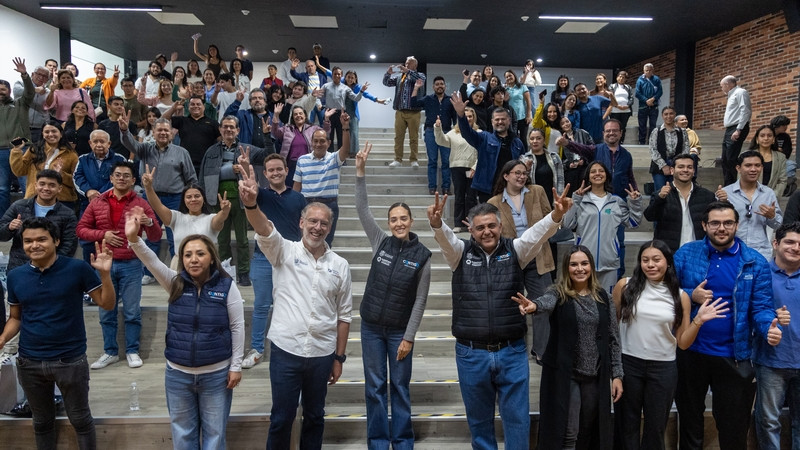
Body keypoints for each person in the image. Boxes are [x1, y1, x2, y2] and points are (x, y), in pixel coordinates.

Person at [427, 187, 572, 450]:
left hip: (512, 351)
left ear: (501, 225)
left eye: (491, 226)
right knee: (479, 422)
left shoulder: (516, 249)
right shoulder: (460, 254)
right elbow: (446, 239)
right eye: (480, 228)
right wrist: (437, 224)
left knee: (517, 421)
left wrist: (555, 215)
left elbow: (537, 234)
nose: (487, 232)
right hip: (471, 354)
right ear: (471, 231)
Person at [239, 164, 353, 450]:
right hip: (286, 351)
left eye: (323, 223)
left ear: (330, 227)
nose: (318, 227)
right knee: (282, 418)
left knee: (315, 416)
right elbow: (265, 229)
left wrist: (338, 358)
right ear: (301, 223)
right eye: (312, 221)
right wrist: (252, 205)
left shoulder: (340, 265)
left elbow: (344, 316)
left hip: (322, 354)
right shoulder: (284, 251)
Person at [125, 212, 244, 449]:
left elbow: (237, 327)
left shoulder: (227, 286)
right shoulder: (174, 282)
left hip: (216, 375)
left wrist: (236, 366)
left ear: (212, 257)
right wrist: (134, 239)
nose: (194, 259)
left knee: (215, 436)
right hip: (178, 375)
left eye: (200, 253)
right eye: (188, 255)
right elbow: (152, 261)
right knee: (183, 436)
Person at [673, 200, 782, 450]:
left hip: (734, 355)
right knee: (690, 424)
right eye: (715, 223)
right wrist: (691, 294)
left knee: (733, 429)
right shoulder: (686, 254)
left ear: (737, 225)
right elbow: (668, 293)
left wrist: (769, 329)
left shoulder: (754, 261)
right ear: (704, 225)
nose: (721, 228)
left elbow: (762, 307)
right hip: (691, 353)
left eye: (727, 223)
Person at [0, 217, 115, 449]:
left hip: (70, 361)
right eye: (28, 241)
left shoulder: (77, 268)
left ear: (56, 241)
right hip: (30, 362)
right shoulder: (15, 276)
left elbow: (107, 303)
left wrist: (105, 275)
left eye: (41, 239)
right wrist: (2, 338)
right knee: (41, 422)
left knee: (81, 420)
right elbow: (16, 317)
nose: (35, 245)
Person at [613, 240, 728, 450]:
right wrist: (615, 372)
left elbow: (683, 343)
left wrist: (699, 320)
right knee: (626, 425)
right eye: (645, 260)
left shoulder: (681, 296)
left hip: (663, 368)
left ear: (667, 262)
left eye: (657, 259)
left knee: (655, 428)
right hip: (629, 364)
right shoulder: (625, 286)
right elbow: (613, 331)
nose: (651, 265)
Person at [355, 143, 431, 449]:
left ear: (411, 221)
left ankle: (402, 442)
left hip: (400, 331)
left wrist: (409, 337)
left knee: (399, 386)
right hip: (371, 328)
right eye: (393, 219)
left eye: (403, 218)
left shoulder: (423, 255)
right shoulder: (380, 242)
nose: (398, 223)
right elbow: (362, 209)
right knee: (374, 387)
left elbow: (421, 300)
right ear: (389, 224)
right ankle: (377, 441)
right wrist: (360, 172)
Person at [515, 245, 622, 449]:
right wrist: (534, 306)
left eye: (584, 263)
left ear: (591, 266)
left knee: (589, 430)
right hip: (566, 375)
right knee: (568, 432)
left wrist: (617, 375)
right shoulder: (558, 293)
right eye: (574, 264)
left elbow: (613, 339)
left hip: (595, 375)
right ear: (566, 268)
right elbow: (545, 302)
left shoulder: (604, 298)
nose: (579, 268)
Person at [77, 161, 162, 370]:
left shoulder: (141, 203)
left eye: (126, 175)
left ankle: (132, 351)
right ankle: (110, 352)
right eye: (118, 174)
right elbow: (81, 229)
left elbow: (157, 235)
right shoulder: (98, 202)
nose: (121, 178)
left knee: (132, 311)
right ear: (111, 178)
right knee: (106, 310)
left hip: (131, 264)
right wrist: (102, 234)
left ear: (133, 180)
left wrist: (149, 222)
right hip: (104, 265)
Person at [487, 160, 556, 361]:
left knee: (543, 304)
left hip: (539, 257)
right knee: (513, 308)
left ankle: (541, 351)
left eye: (524, 173)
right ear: (506, 176)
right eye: (517, 173)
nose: (521, 176)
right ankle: (515, 350)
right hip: (511, 260)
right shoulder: (494, 202)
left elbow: (549, 219)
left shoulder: (537, 191)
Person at [119, 111, 198, 276]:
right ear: (153, 133)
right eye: (159, 130)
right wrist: (125, 131)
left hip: (175, 199)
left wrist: (191, 201)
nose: (163, 133)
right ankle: (149, 274)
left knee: (175, 237)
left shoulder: (181, 152)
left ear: (171, 133)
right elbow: (130, 144)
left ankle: (178, 272)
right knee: (151, 237)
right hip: (149, 198)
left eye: (166, 130)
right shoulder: (145, 149)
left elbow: (191, 178)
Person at [558, 119, 638, 277]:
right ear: (603, 134)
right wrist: (567, 143)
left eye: (615, 130)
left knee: (618, 243)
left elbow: (630, 176)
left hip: (616, 203)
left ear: (621, 133)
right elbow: (581, 148)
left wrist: (634, 192)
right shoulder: (596, 150)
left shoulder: (626, 155)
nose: (611, 133)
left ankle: (617, 275)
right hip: (594, 199)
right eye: (608, 131)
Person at [199, 116, 272, 285]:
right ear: (220, 129)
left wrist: (267, 136)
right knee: (222, 240)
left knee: (243, 239)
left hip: (241, 199)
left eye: (232, 127)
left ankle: (244, 272)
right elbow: (202, 177)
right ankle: (225, 271)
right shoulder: (211, 151)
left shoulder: (245, 148)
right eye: (225, 127)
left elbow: (268, 155)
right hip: (217, 199)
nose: (228, 130)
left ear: (238, 130)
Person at [753, 222, 800, 449]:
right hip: (771, 361)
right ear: (775, 243)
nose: (796, 247)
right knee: (768, 421)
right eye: (790, 242)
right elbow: (751, 313)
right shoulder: (761, 275)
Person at [564, 161, 643, 293]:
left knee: (607, 301)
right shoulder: (580, 200)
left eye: (601, 171)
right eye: (593, 171)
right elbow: (567, 224)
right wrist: (576, 200)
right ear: (588, 176)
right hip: (583, 262)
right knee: (583, 300)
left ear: (606, 175)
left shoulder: (616, 201)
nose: (597, 174)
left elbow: (633, 223)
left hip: (609, 262)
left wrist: (635, 203)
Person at [142, 167, 228, 268]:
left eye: (197, 196)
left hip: (206, 266)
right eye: (189, 197)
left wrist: (224, 211)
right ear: (184, 201)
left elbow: (220, 219)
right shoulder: (176, 217)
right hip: (180, 265)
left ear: (203, 199)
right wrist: (148, 188)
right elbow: (158, 206)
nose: (193, 199)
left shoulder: (211, 218)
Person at [451, 91, 524, 203]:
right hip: (488, 190)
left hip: (511, 189)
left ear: (509, 121)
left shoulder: (517, 143)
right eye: (497, 120)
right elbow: (467, 133)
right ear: (492, 122)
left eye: (503, 119)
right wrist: (461, 115)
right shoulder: (484, 138)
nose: (500, 122)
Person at [0, 169, 77, 271]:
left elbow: (69, 246)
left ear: (60, 188)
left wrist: (49, 264)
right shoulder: (18, 206)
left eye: (52, 185)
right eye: (42, 184)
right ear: (35, 185)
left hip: (51, 270)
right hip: (19, 267)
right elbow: (1, 235)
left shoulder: (68, 214)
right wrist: (9, 228)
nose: (46, 188)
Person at [293, 113, 351, 247]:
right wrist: (294, 207)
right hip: (307, 205)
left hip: (329, 205)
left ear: (328, 143)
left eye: (322, 141)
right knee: (306, 242)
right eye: (316, 141)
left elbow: (346, 149)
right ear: (311, 142)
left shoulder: (334, 159)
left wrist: (345, 127)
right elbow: (297, 187)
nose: (318, 144)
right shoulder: (302, 160)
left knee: (325, 243)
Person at [717, 150, 783, 260]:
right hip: (731, 251)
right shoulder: (725, 193)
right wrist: (722, 204)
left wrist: (772, 216)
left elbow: (778, 225)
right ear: (738, 168)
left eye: (757, 165)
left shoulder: (768, 193)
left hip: (761, 252)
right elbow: (716, 223)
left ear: (761, 167)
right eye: (748, 165)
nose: (753, 169)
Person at [644, 154, 717, 252]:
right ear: (672, 170)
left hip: (699, 252)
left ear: (694, 171)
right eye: (681, 167)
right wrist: (659, 198)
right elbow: (650, 216)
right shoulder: (661, 194)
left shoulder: (707, 196)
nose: (685, 170)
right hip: (670, 253)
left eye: (689, 167)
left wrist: (724, 202)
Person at [10, 122, 79, 210]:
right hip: (34, 198)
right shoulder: (34, 150)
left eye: (54, 131)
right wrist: (16, 151)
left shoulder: (71, 154)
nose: (50, 134)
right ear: (43, 134)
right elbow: (19, 171)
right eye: (47, 132)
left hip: (62, 201)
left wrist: (61, 174)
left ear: (61, 134)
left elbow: (76, 181)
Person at [434, 107, 479, 232]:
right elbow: (441, 141)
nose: (468, 118)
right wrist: (438, 128)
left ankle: (472, 223)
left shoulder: (479, 132)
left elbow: (481, 152)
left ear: (473, 118)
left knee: (471, 197)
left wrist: (475, 167)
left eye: (470, 116)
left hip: (472, 168)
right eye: (466, 116)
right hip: (456, 167)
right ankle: (458, 224)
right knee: (459, 196)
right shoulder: (453, 133)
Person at [411, 76, 456, 195]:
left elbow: (455, 118)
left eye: (442, 84)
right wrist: (416, 88)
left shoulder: (450, 100)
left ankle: (446, 187)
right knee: (432, 161)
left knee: (446, 161)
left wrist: (456, 132)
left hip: (446, 133)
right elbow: (413, 103)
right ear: (433, 87)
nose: (440, 86)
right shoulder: (428, 98)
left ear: (445, 86)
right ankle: (432, 187)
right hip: (431, 132)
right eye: (437, 84)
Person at [272, 103, 332, 187]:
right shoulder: (287, 129)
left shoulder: (313, 128)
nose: (298, 115)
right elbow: (275, 133)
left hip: (308, 164)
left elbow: (326, 132)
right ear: (292, 117)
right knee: (291, 190)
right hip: (291, 165)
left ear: (305, 116)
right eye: (295, 114)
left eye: (300, 113)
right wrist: (276, 115)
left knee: (307, 189)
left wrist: (326, 118)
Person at [383, 56, 426, 168]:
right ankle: (398, 159)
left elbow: (419, 79)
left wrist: (408, 71)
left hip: (414, 112)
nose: (406, 65)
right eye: (406, 63)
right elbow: (386, 83)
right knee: (398, 137)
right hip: (400, 112)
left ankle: (413, 160)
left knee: (413, 137)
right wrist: (388, 73)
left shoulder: (420, 75)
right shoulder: (399, 77)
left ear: (415, 65)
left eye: (409, 63)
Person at [164, 95, 221, 176]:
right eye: (192, 104)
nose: (195, 106)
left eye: (198, 104)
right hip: (185, 164)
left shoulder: (213, 123)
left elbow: (221, 142)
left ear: (203, 107)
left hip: (207, 165)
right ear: (188, 107)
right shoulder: (182, 121)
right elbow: (162, 121)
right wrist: (173, 108)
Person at [319, 66, 363, 152]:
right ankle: (329, 156)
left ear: (341, 75)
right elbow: (318, 96)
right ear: (332, 75)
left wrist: (361, 91)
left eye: (339, 74)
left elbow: (356, 98)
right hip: (329, 113)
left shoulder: (346, 88)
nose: (337, 75)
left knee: (341, 137)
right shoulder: (326, 86)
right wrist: (319, 104)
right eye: (335, 74)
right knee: (329, 136)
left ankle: (341, 158)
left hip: (341, 114)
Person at [648, 106, 690, 193]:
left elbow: (686, 148)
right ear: (662, 116)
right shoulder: (656, 131)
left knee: (675, 193)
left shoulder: (682, 132)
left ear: (675, 115)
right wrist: (663, 166)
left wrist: (678, 164)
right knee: (660, 193)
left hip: (677, 165)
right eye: (666, 114)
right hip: (659, 166)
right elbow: (653, 149)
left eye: (671, 113)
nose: (668, 116)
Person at [720, 75, 752, 186]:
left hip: (737, 127)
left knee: (731, 159)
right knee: (724, 159)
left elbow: (746, 111)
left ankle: (734, 185)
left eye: (722, 86)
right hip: (730, 129)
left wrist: (739, 129)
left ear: (728, 84)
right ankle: (728, 184)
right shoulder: (731, 95)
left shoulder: (740, 92)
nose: (722, 89)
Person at [521, 128, 564, 206]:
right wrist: (526, 170)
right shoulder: (524, 159)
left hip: (552, 199)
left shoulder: (554, 157)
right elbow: (520, 182)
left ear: (544, 140)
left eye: (538, 138)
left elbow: (560, 179)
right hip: (533, 201)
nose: (535, 141)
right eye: (532, 139)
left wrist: (559, 198)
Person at [13, 65, 50, 144]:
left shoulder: (48, 92)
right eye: (39, 74)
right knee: (20, 152)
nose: (41, 77)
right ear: (32, 74)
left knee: (38, 153)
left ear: (47, 79)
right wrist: (35, 90)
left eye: (44, 76)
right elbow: (17, 93)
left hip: (39, 129)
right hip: (21, 127)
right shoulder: (20, 83)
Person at [749, 124, 787, 198]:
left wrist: (772, 196)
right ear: (757, 139)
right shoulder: (748, 156)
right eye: (762, 136)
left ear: (773, 139)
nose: (766, 138)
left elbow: (782, 180)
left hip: (772, 198)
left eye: (769, 136)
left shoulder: (781, 157)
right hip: (750, 197)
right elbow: (742, 179)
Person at [635, 63, 663, 145]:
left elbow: (660, 91)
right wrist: (646, 100)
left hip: (654, 106)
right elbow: (637, 93)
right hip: (643, 106)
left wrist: (653, 99)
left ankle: (652, 142)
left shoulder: (656, 79)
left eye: (650, 70)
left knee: (653, 125)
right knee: (642, 125)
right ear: (644, 71)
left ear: (653, 70)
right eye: (646, 70)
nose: (648, 72)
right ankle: (642, 142)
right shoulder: (640, 80)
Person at [608, 71, 633, 143]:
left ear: (625, 79)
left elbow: (631, 98)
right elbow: (610, 97)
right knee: (615, 126)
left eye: (623, 77)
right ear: (617, 78)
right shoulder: (612, 86)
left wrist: (627, 105)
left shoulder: (628, 87)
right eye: (620, 77)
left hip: (626, 111)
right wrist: (617, 106)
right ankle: (615, 141)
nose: (621, 78)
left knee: (623, 127)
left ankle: (621, 141)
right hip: (615, 110)